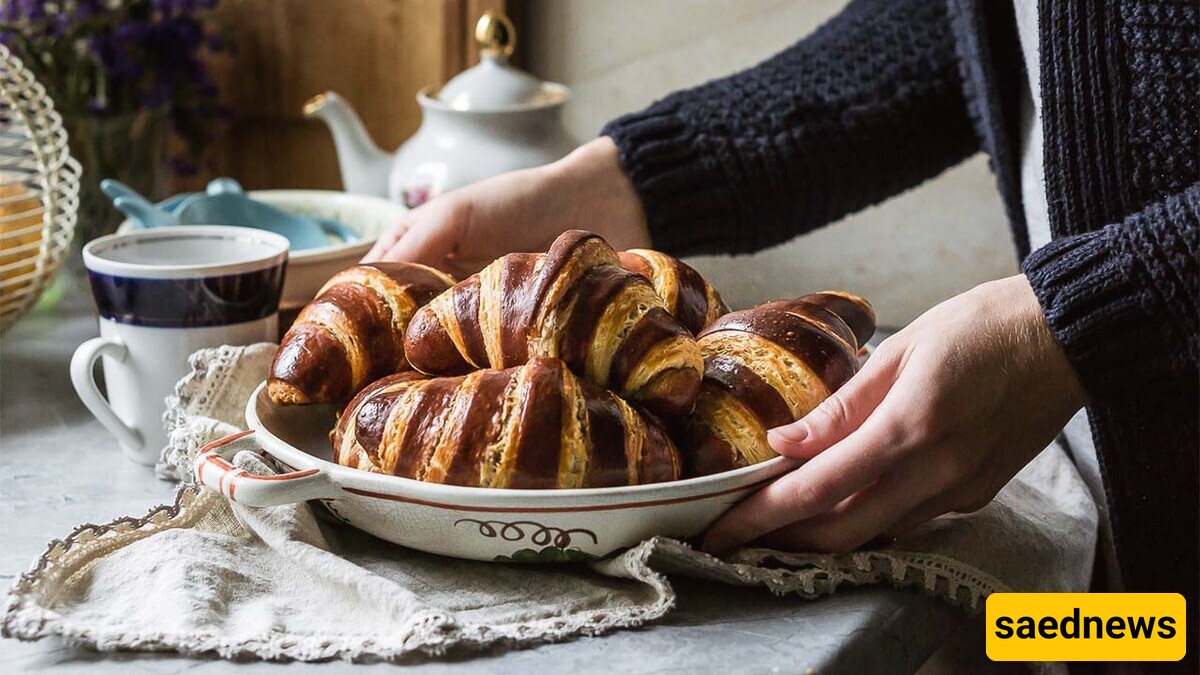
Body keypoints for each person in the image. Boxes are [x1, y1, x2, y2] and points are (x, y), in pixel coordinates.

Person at [366, 0, 1197, 635]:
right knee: (1066, 643)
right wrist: (622, 182)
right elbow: (968, 32)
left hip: (1155, 529)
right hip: (1126, 573)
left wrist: (1079, 323)